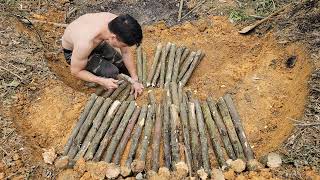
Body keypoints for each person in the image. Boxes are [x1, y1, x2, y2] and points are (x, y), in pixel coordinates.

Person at [61, 12, 144, 98]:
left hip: (96, 44)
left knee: (122, 65)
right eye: (123, 45)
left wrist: (134, 79)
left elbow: (126, 52)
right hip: (74, 52)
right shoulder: (84, 43)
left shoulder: (118, 24)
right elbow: (76, 71)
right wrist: (101, 81)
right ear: (113, 38)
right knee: (112, 72)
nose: (124, 48)